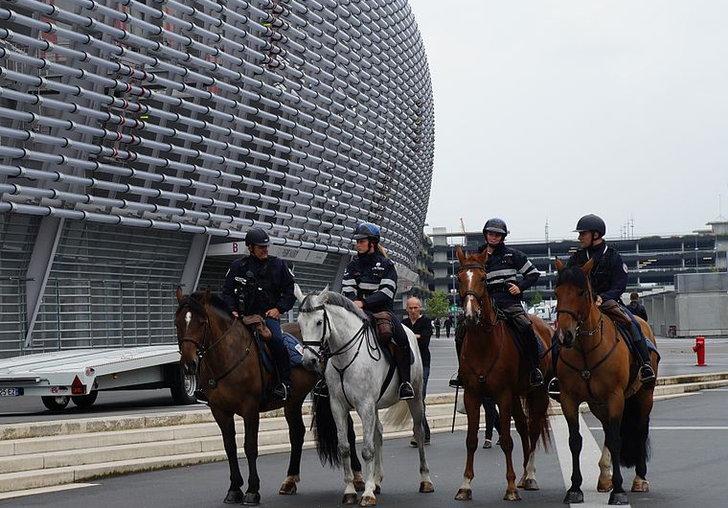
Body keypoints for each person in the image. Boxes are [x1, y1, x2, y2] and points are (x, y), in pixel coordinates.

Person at [548, 214, 655, 397]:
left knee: (633, 324)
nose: (580, 237)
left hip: (608, 301)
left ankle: (645, 365)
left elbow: (620, 283)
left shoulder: (613, 256)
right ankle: (556, 377)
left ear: (596, 234)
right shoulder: (577, 258)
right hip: (582, 306)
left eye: (583, 234)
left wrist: (603, 298)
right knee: (557, 336)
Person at [449, 218, 544, 388]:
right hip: (485, 301)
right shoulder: (478, 255)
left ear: (502, 237)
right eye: (490, 234)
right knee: (460, 331)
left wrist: (520, 287)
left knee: (526, 327)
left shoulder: (513, 255)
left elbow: (534, 273)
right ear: (486, 235)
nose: (493, 237)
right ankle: (462, 372)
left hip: (508, 301)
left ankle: (534, 368)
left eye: (497, 235)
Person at [221, 228, 296, 401]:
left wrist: (279, 309)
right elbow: (227, 292)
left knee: (277, 340)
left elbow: (290, 291)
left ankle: (285, 383)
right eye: (260, 246)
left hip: (267, 317)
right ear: (250, 248)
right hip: (241, 317)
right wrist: (231, 308)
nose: (265, 249)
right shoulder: (237, 267)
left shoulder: (278, 265)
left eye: (266, 246)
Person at [342, 222, 415, 400]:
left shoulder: (386, 265)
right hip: (356, 311)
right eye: (357, 241)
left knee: (402, 338)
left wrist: (364, 303)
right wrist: (354, 303)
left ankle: (405, 383)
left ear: (372, 243)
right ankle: (325, 381)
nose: (357, 244)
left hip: (383, 311)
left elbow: (386, 293)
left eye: (361, 241)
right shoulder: (352, 266)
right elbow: (348, 290)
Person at [403, 296, 432, 446]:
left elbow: (425, 341)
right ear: (406, 309)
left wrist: (410, 337)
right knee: (412, 398)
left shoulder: (426, 322)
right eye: (411, 308)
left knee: (420, 397)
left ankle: (422, 433)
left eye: (416, 307)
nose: (413, 311)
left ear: (420, 308)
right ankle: (421, 432)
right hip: (408, 364)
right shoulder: (404, 323)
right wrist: (416, 337)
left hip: (423, 364)